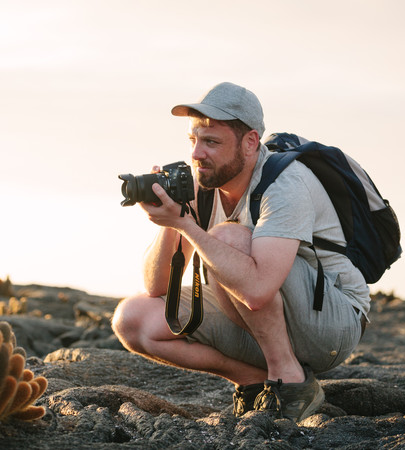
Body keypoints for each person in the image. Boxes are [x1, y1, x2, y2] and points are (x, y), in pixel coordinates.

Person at [112, 82, 370, 422]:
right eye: (194, 140)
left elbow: (258, 290)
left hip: (332, 323)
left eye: (211, 142)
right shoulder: (202, 183)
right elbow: (156, 287)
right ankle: (250, 380)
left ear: (250, 143)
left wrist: (189, 227)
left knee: (229, 239)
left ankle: (290, 380)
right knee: (132, 319)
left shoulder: (285, 183)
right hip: (262, 313)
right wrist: (172, 222)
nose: (196, 154)